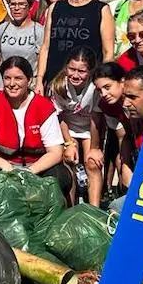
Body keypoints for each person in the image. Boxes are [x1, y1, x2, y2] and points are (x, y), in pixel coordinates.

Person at [0, 57, 72, 198]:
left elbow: (56, 152)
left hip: (35, 168)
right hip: (3, 166)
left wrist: (30, 171)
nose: (12, 84)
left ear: (29, 80)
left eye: (18, 78)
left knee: (61, 176)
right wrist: (6, 167)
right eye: (7, 78)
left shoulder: (44, 106)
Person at [37, 0, 115, 94]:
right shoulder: (55, 8)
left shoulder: (101, 9)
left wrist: (104, 80)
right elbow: (46, 47)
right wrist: (39, 80)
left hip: (86, 82)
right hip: (55, 80)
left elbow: (108, 52)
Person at [48, 47, 99, 202]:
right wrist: (69, 142)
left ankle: (94, 208)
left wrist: (94, 148)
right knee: (68, 160)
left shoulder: (95, 88)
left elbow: (96, 119)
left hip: (90, 129)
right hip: (68, 128)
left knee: (92, 163)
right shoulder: (59, 86)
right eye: (72, 69)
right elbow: (60, 116)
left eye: (82, 71)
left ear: (90, 71)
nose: (75, 75)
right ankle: (70, 205)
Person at [86, 62, 128, 207]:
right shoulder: (107, 105)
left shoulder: (138, 98)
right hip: (128, 142)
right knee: (93, 161)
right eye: (99, 90)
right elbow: (122, 136)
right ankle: (93, 213)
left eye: (107, 87)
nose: (103, 94)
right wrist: (94, 148)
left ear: (122, 81)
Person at [0, 0, 43, 90]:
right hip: (2, 86)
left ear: (30, 6)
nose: (16, 8)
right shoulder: (4, 27)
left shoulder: (38, 30)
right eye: (13, 4)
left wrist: (39, 82)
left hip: (27, 87)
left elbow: (41, 59)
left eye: (21, 4)